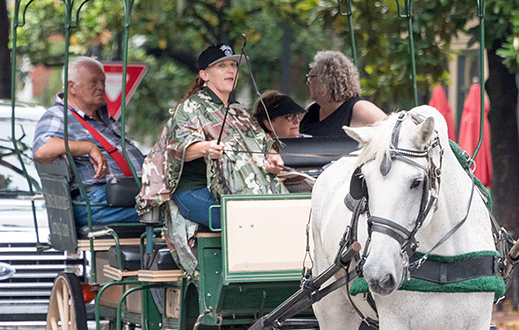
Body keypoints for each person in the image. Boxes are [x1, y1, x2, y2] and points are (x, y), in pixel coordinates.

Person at [137, 43, 285, 231]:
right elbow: (179, 149)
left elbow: (263, 142)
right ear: (204, 75)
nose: (230, 70)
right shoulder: (190, 108)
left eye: (233, 65)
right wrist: (206, 148)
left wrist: (273, 157)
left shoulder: (238, 111)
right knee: (247, 223)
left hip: (234, 190)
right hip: (195, 192)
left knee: (283, 213)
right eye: (221, 66)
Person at [33, 56, 144, 226]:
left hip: (130, 195)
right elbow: (42, 151)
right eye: (93, 82)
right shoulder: (59, 115)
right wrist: (87, 147)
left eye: (103, 82)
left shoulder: (107, 121)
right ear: (72, 87)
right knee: (170, 214)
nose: (101, 87)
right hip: (98, 202)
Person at [300, 50, 386, 136]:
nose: (308, 83)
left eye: (310, 78)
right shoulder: (311, 110)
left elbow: (392, 133)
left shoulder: (360, 109)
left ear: (324, 82)